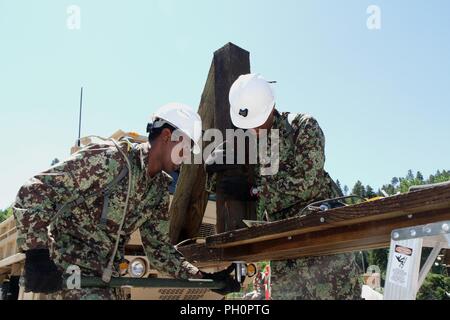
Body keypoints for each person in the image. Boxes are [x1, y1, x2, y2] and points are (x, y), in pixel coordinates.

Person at [13, 102, 239, 299]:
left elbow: (159, 249)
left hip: (106, 277)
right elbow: (34, 189)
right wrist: (36, 254)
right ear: (168, 136)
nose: (187, 156)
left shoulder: (158, 189)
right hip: (71, 271)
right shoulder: (111, 160)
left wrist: (204, 278)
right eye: (186, 147)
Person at [225, 74, 362, 299]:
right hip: (285, 251)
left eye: (256, 123)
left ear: (271, 108)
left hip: (322, 241)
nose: (252, 129)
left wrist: (255, 191)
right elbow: (266, 199)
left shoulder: (303, 126)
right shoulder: (260, 146)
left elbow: (307, 182)